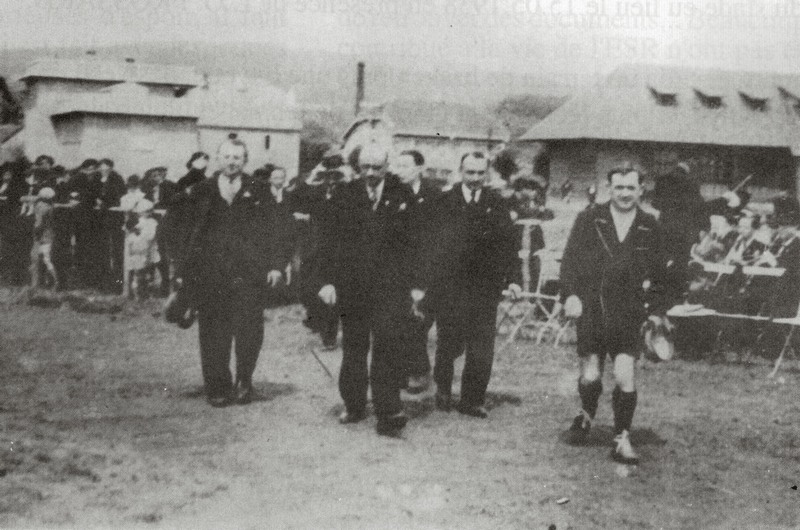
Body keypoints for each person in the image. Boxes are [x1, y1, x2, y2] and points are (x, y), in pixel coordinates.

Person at [560, 163, 671, 464]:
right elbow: (569, 262)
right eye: (619, 187)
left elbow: (662, 276)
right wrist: (570, 295)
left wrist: (658, 312)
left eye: (630, 188)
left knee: (624, 375)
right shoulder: (590, 218)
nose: (624, 193)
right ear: (610, 188)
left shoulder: (650, 226)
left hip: (629, 312)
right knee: (591, 375)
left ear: (640, 189)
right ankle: (585, 414)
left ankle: (622, 437)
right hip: (592, 307)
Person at [317, 141, 422, 436]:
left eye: (377, 167)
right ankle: (353, 404)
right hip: (353, 288)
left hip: (391, 288)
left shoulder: (402, 195)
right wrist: (326, 281)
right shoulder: (343, 195)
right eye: (366, 167)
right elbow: (326, 242)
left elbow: (416, 245)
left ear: (387, 166)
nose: (372, 173)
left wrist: (416, 286)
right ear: (357, 168)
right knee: (354, 347)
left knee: (387, 348)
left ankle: (389, 410)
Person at [178, 135, 288, 407]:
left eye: (237, 158)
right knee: (213, 331)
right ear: (218, 159)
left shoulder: (259, 189)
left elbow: (276, 230)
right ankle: (217, 386)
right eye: (226, 157)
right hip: (211, 274)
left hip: (249, 274)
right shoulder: (202, 189)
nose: (231, 162)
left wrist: (275, 265)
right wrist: (185, 269)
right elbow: (184, 230)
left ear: (245, 161)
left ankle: (244, 381)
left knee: (249, 330)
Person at [421, 152, 520, 419]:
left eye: (480, 173)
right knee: (448, 343)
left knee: (481, 346)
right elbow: (430, 246)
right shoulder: (443, 202)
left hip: (484, 288)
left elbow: (509, 245)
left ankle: (472, 399)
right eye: (470, 173)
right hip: (450, 286)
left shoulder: (496, 203)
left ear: (486, 174)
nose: (475, 179)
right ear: (461, 172)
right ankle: (443, 388)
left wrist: (513, 280)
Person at [394, 149, 440, 394]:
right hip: (398, 270)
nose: (399, 170)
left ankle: (419, 371)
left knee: (418, 322)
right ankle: (404, 371)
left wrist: (423, 279)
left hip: (426, 269)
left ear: (420, 168)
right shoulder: (392, 192)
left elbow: (437, 238)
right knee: (399, 322)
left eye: (405, 166)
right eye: (397, 165)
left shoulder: (434, 194)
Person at [125, 199, 160, 300]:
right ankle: (136, 293)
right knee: (138, 272)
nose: (147, 213)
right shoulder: (135, 222)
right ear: (139, 212)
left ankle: (149, 292)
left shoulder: (153, 222)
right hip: (138, 249)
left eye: (149, 211)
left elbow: (152, 235)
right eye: (145, 211)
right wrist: (136, 234)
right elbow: (130, 235)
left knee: (150, 271)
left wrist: (144, 236)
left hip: (149, 248)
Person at [29, 187, 57, 290]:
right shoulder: (50, 206)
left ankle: (36, 284)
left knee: (36, 259)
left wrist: (35, 232)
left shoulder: (41, 207)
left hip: (41, 235)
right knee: (46, 259)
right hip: (48, 234)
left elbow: (38, 223)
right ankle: (50, 281)